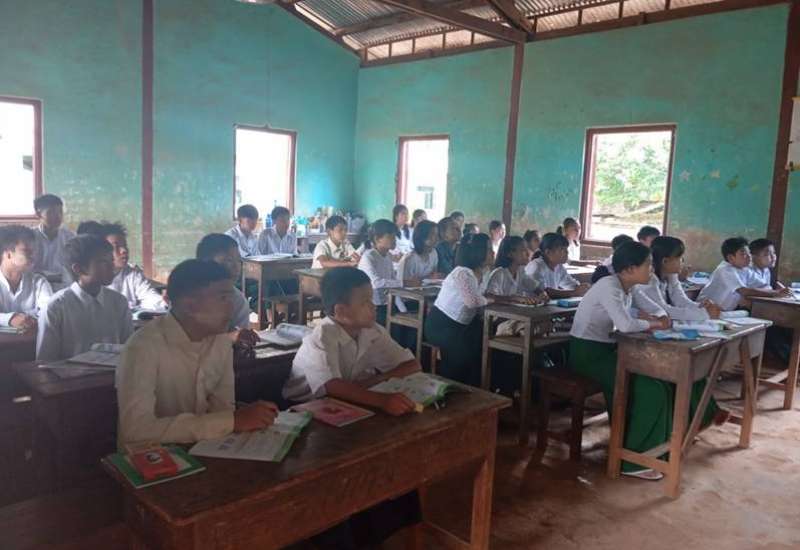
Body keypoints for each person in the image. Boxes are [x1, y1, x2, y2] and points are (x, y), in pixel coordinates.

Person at [282, 268, 423, 549]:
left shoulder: (372, 332)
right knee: (338, 478)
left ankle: (373, 535)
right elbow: (332, 386)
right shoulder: (321, 337)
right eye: (365, 302)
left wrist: (375, 381)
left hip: (352, 407)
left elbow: (412, 365)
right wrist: (381, 398)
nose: (374, 306)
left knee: (388, 461)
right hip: (305, 416)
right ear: (341, 311)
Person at [570, 241, 727, 480]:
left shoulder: (630, 287)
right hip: (588, 354)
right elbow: (625, 325)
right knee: (650, 389)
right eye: (647, 265)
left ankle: (659, 446)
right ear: (629, 269)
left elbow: (657, 309)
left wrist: (660, 318)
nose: (651, 270)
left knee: (663, 381)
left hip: (612, 351)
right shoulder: (608, 286)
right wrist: (654, 323)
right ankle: (633, 461)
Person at [116, 259, 278, 446]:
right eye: (223, 298)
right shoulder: (142, 347)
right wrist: (232, 421)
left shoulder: (220, 341)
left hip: (204, 449)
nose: (231, 307)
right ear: (190, 305)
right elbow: (136, 431)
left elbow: (223, 410)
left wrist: (239, 419)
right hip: (153, 457)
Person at [36, 234, 133, 361]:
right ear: (79, 269)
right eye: (103, 262)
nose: (111, 267)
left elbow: (130, 351)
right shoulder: (55, 307)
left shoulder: (119, 302)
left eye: (111, 261)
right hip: (68, 374)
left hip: (113, 372)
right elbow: (45, 361)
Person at [424, 233, 493, 386]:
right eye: (488, 249)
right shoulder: (462, 272)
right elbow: (471, 301)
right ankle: (449, 388)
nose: (492, 252)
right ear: (477, 252)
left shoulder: (483, 273)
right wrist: (490, 300)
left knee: (481, 346)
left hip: (460, 327)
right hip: (441, 326)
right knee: (463, 355)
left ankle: (475, 389)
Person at [633, 236, 719, 321]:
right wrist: (704, 314)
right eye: (680, 258)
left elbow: (681, 300)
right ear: (665, 261)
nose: (683, 262)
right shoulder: (649, 280)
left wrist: (702, 307)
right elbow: (663, 310)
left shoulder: (671, 275)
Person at [196, 234, 257, 346]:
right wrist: (230, 337)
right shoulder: (187, 296)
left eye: (238, 261)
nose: (236, 267)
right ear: (205, 263)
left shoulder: (238, 299)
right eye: (228, 261)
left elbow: (240, 340)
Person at [698, 237, 790, 311]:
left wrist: (779, 292)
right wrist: (775, 293)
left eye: (749, 252)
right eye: (743, 254)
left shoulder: (744, 269)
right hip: (704, 309)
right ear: (731, 258)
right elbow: (743, 291)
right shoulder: (725, 270)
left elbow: (765, 286)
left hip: (723, 311)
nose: (749, 256)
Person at [0, 225, 53, 332]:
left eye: (34, 251)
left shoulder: (39, 282)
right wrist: (10, 319)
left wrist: (23, 318)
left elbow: (50, 312)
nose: (33, 256)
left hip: (31, 341)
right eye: (27, 251)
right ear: (8, 254)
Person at [103, 222, 166, 311]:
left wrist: (164, 303)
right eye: (116, 247)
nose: (124, 250)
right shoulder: (96, 280)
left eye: (125, 245)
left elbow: (149, 296)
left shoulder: (133, 274)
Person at [357, 219, 402, 326]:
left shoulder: (387, 256)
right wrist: (403, 282)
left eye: (395, 237)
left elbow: (393, 282)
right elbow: (375, 283)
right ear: (377, 239)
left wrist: (402, 309)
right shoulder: (368, 257)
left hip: (386, 303)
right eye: (390, 237)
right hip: (371, 306)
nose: (394, 240)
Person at [524, 233, 589, 298]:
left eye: (566, 249)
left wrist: (581, 287)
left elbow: (570, 284)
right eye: (562, 249)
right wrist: (574, 292)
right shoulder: (536, 266)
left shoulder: (559, 266)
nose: (567, 252)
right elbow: (543, 292)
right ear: (548, 252)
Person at [483, 236, 545, 305]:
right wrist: (513, 298)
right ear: (510, 254)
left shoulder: (521, 271)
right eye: (523, 250)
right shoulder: (499, 274)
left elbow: (533, 285)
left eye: (527, 249)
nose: (528, 253)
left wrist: (542, 293)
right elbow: (490, 296)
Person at [31, 194, 76, 281]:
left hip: (64, 283)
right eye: (52, 212)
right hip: (37, 283)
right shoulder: (30, 237)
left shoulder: (70, 237)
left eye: (60, 212)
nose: (58, 216)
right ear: (39, 214)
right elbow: (26, 268)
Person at [399, 220, 441, 287]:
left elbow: (434, 276)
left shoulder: (434, 253)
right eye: (433, 234)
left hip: (426, 290)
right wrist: (426, 278)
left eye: (437, 234)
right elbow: (405, 284)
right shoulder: (410, 259)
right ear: (423, 236)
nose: (437, 238)